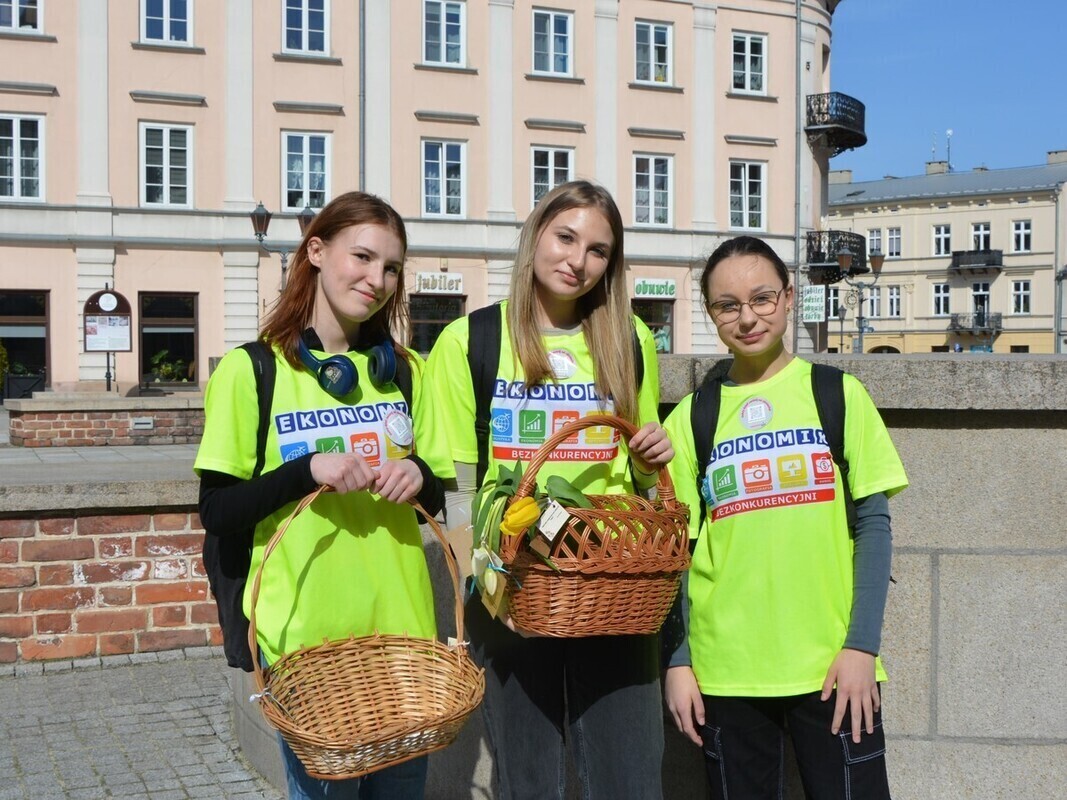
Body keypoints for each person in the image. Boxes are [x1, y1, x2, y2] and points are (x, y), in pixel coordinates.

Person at [195, 191, 451, 800]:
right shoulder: (252, 369)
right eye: (361, 257)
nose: (377, 279)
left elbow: (437, 493)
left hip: (402, 636)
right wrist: (307, 468)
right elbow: (218, 510)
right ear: (316, 250)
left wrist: (419, 478)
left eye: (391, 267)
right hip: (305, 642)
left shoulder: (407, 370)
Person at [426, 180, 674, 799]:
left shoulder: (630, 340)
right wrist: (481, 595)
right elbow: (455, 492)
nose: (578, 260)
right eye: (566, 237)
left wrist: (649, 461)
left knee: (629, 779)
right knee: (528, 780)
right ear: (536, 235)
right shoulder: (470, 341)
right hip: (515, 589)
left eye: (598, 250)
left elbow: (642, 481)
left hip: (613, 586)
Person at [661, 235, 908, 800]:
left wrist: (861, 648)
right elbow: (675, 553)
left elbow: (872, 527)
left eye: (762, 298)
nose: (747, 318)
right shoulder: (693, 417)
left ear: (790, 297)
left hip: (832, 669)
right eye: (728, 305)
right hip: (725, 674)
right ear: (711, 314)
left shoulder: (837, 394)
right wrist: (677, 661)